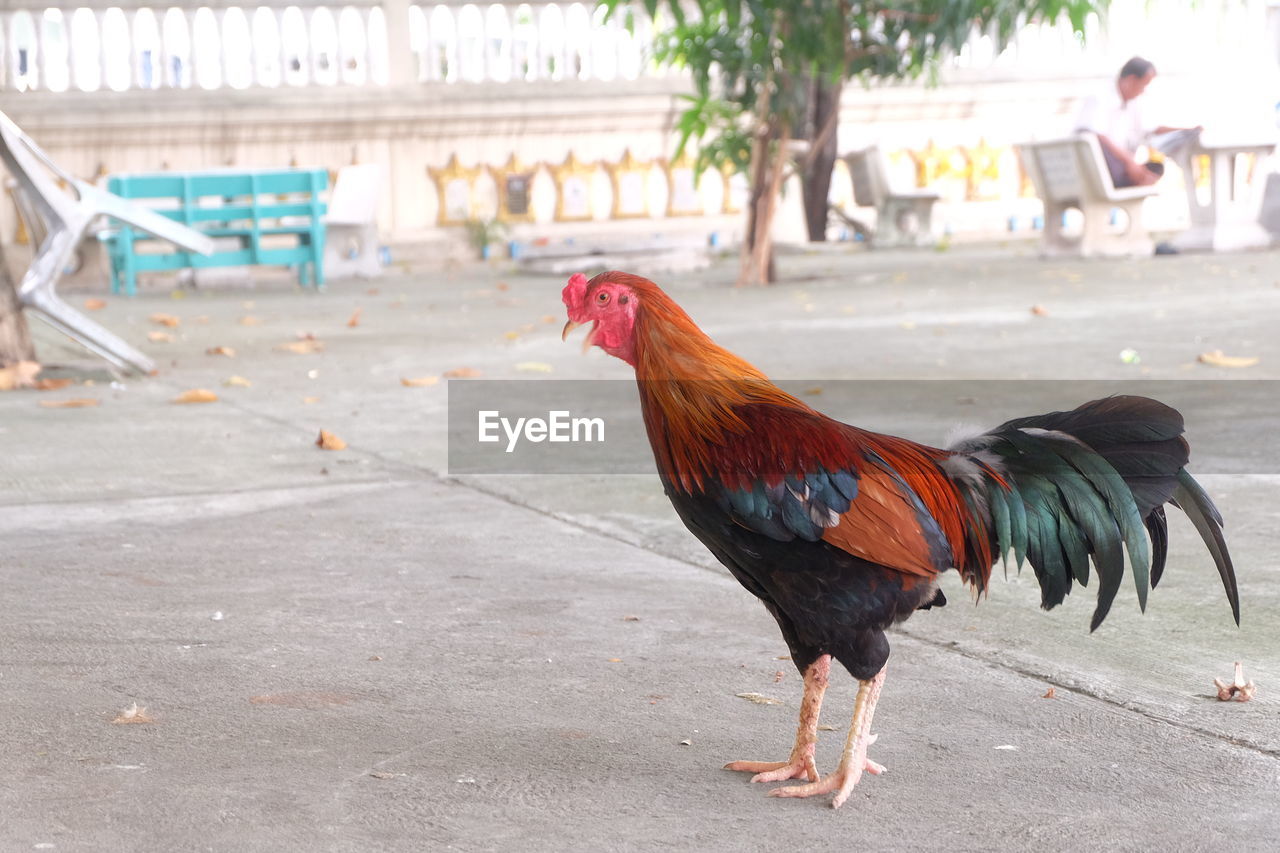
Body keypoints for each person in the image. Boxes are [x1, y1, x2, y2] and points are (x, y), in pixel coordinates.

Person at [1074, 57, 1201, 188]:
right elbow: (1096, 134)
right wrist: (1129, 161)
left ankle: (1134, 179)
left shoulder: (1134, 104)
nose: (1143, 91)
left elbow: (1152, 129)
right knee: (1101, 148)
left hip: (1124, 163)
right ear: (1131, 80)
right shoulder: (1099, 97)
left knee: (1156, 167)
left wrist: (1186, 129)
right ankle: (1127, 180)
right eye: (1143, 85)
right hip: (1100, 163)